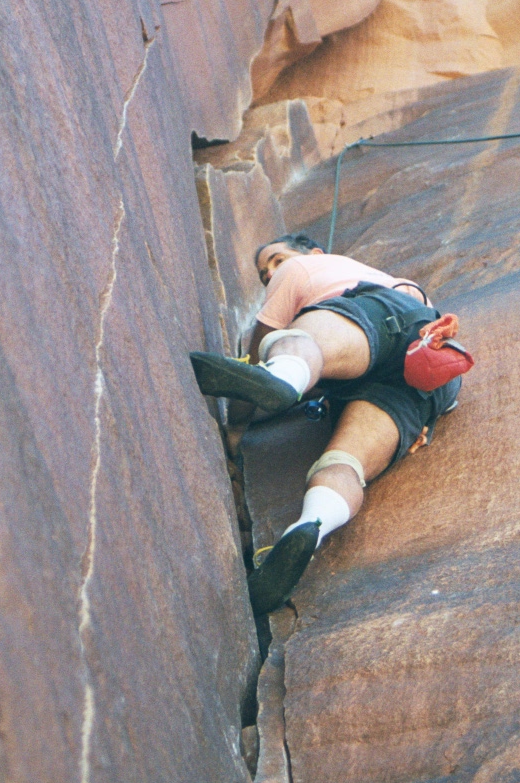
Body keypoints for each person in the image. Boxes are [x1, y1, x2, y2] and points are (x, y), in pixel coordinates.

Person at [190, 233, 464, 615]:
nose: (271, 274)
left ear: (315, 253)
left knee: (295, 343)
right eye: (265, 274)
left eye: (276, 260)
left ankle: (286, 375)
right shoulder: (394, 283)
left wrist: (236, 431)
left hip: (377, 314)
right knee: (344, 463)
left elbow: (255, 357)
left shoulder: (304, 268)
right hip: (430, 368)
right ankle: (312, 525)